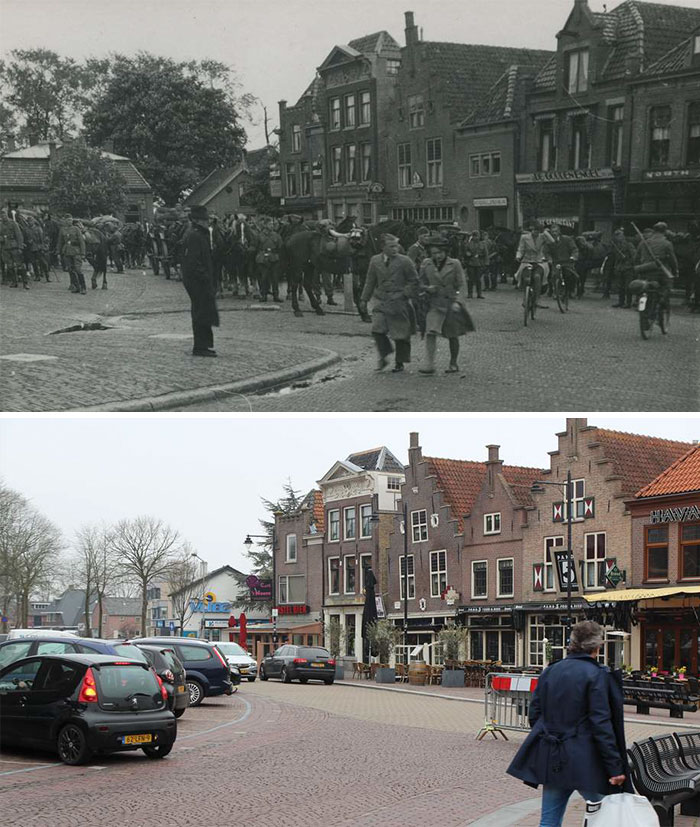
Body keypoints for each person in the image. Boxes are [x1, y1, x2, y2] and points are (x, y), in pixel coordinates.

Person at [507, 620, 631, 827]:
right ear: (597, 646)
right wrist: (615, 767)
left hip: (553, 757)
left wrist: (550, 737)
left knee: (549, 819)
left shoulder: (550, 671)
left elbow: (535, 713)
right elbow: (601, 724)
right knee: (607, 815)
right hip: (585, 760)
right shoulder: (597, 674)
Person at [360, 233, 419, 373]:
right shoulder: (375, 261)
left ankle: (400, 362)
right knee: (377, 330)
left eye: (396, 245)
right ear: (382, 247)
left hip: (399, 301)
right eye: (391, 246)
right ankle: (385, 354)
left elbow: (414, 280)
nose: (395, 249)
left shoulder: (405, 261)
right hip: (381, 300)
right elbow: (370, 281)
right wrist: (364, 299)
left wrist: (405, 293)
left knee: (401, 334)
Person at [417, 235, 473, 375]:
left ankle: (453, 362)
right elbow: (420, 283)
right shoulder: (426, 264)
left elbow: (462, 284)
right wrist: (426, 288)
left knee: (452, 334)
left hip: (450, 303)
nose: (438, 256)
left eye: (440, 252)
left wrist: (458, 302)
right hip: (435, 303)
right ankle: (429, 364)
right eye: (434, 253)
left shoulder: (455, 264)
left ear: (446, 252)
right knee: (430, 332)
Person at [181, 204, 219, 357]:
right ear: (198, 220)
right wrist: (205, 277)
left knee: (204, 311)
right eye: (205, 219)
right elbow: (193, 262)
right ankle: (200, 346)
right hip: (198, 281)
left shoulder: (198, 234)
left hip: (200, 280)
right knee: (201, 312)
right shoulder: (195, 236)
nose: (208, 222)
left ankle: (205, 344)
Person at [634, 221, 679, 304]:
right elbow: (672, 260)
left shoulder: (643, 242)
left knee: (642, 287)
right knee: (667, 286)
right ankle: (662, 305)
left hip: (644, 271)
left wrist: (639, 267)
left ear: (654, 231)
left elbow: (636, 258)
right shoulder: (667, 243)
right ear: (665, 231)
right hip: (660, 273)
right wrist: (675, 271)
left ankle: (639, 301)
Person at [515, 221, 550, 307]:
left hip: (539, 262)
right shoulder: (524, 237)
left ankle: (537, 300)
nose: (536, 232)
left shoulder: (543, 237)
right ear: (531, 230)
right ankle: (525, 298)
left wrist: (545, 232)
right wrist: (518, 256)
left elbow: (552, 241)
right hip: (527, 261)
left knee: (537, 277)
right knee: (526, 278)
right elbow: (521, 248)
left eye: (538, 231)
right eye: (534, 230)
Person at [255, 217, 283, 302]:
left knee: (275, 278)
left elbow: (280, 247)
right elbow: (255, 247)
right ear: (265, 225)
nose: (272, 226)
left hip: (274, 258)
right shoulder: (259, 235)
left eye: (272, 224)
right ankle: (263, 295)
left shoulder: (276, 235)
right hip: (263, 258)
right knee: (264, 278)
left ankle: (276, 295)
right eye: (270, 224)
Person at [546, 225, 578, 298]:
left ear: (559, 232)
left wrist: (573, 257)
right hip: (556, 262)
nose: (554, 233)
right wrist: (549, 259)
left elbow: (574, 249)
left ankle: (571, 290)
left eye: (556, 231)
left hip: (567, 262)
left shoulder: (567, 239)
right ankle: (556, 291)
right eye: (553, 232)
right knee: (554, 275)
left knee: (571, 275)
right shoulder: (549, 242)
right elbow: (547, 252)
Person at [58, 214, 86, 294]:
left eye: (70, 220)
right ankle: (76, 287)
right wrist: (58, 252)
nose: (69, 221)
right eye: (67, 220)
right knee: (71, 270)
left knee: (78, 270)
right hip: (66, 252)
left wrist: (83, 253)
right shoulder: (62, 230)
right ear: (65, 221)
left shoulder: (76, 229)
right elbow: (60, 242)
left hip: (76, 252)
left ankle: (83, 287)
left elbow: (81, 242)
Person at [0, 210, 29, 289]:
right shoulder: (0, 225)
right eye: (1, 216)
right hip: (5, 248)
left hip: (14, 247)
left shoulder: (13, 224)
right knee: (9, 266)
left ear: (7, 215)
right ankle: (14, 282)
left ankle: (25, 282)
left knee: (20, 265)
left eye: (4, 215)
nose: (3, 217)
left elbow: (19, 236)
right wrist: (2, 238)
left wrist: (20, 247)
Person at [609, 228, 637, 308]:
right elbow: (615, 257)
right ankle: (621, 302)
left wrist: (629, 261)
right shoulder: (616, 246)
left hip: (628, 268)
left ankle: (628, 303)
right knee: (620, 286)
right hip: (619, 267)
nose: (618, 237)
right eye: (616, 235)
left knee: (628, 286)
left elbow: (634, 256)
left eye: (619, 235)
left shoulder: (629, 244)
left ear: (623, 236)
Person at [463, 230, 486, 299]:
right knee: (470, 279)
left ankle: (479, 293)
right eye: (474, 236)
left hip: (479, 263)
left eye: (477, 236)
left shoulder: (482, 244)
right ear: (472, 236)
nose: (476, 237)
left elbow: (485, 253)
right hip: (471, 263)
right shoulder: (468, 244)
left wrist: (481, 258)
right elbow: (465, 253)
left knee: (478, 280)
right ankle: (470, 293)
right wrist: (468, 255)